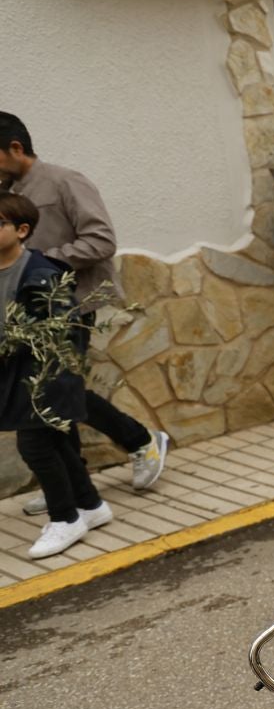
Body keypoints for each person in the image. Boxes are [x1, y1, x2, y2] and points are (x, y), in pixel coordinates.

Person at [0, 112, 170, 503]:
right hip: (27, 312)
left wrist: (41, 262)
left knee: (61, 389)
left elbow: (101, 241)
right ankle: (68, 480)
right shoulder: (7, 190)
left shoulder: (64, 181)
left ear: (14, 148)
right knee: (45, 391)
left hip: (70, 304)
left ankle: (142, 440)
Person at [0, 195, 110, 559]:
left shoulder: (41, 272)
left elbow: (58, 330)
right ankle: (90, 505)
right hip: (14, 373)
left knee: (34, 446)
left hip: (43, 375)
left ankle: (65, 518)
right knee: (56, 443)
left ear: (21, 231)